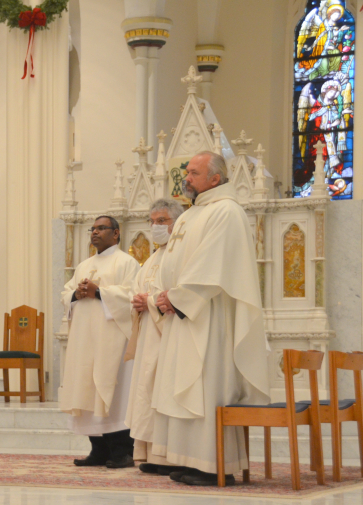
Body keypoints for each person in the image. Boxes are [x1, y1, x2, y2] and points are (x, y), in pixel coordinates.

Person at [152, 151, 269, 486]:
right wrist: (165, 293)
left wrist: (178, 298)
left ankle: (214, 464)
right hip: (185, 314)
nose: (186, 178)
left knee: (205, 386)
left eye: (193, 172)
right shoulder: (194, 214)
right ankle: (191, 460)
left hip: (209, 315)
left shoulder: (226, 211)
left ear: (215, 178)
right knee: (186, 386)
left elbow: (212, 266)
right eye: (186, 172)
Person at [59, 216, 140, 468]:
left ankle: (122, 452)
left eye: (101, 228)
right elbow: (66, 292)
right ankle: (98, 450)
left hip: (112, 340)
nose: (95, 232)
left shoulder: (127, 262)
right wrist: (76, 293)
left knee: (113, 393)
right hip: (85, 339)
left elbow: (131, 295)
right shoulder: (84, 265)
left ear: (116, 234)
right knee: (86, 390)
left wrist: (100, 292)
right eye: (92, 229)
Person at [122, 198, 185, 475]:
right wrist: (137, 301)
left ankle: (168, 456)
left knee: (162, 390)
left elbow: (179, 293)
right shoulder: (152, 257)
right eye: (152, 221)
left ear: (177, 223)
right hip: (148, 332)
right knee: (145, 390)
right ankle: (148, 452)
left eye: (162, 221)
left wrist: (148, 301)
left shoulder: (181, 253)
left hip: (169, 334)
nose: (156, 226)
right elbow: (138, 289)